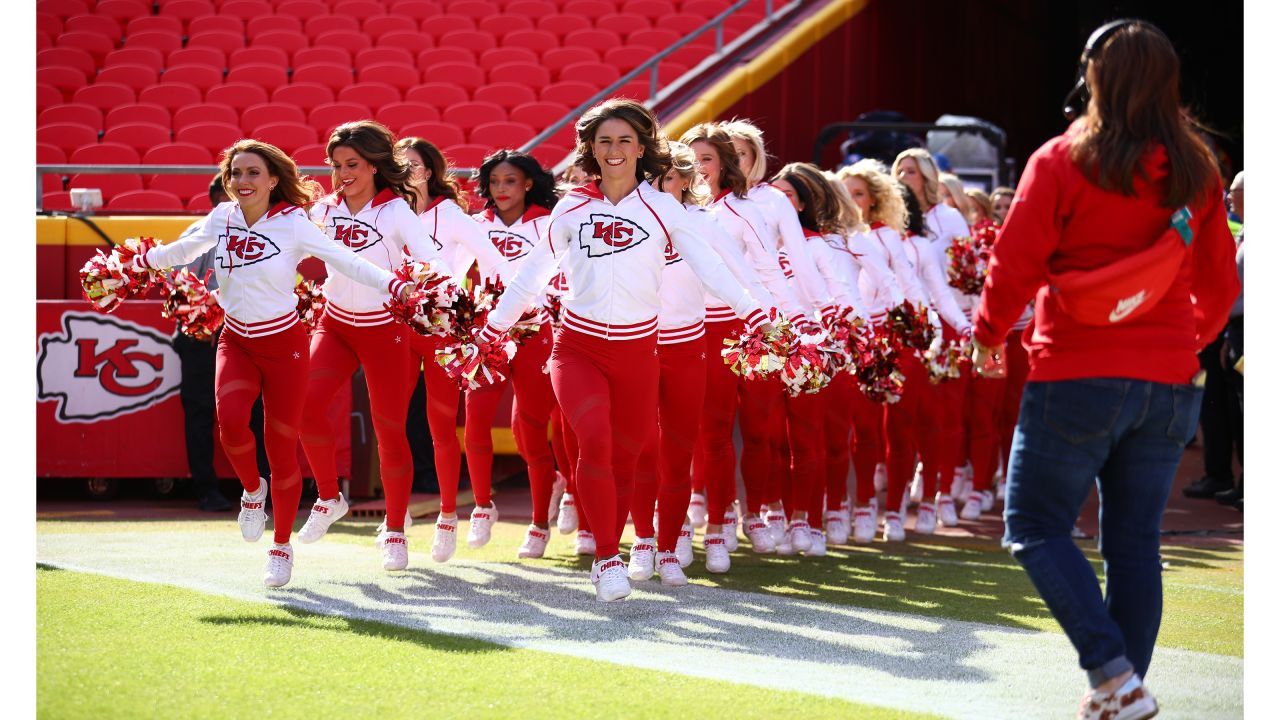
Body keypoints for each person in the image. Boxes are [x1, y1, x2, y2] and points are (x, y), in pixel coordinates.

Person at [970, 20, 1238, 717]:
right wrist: (1181, 342)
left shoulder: (1062, 159)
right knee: (1134, 544)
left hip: (1076, 372)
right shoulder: (1198, 166)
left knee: (1032, 523)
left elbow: (1014, 263)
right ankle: (1123, 689)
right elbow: (1219, 286)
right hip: (1169, 378)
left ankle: (1114, 676)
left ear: (1094, 75)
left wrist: (988, 334)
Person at [473, 98, 770, 602]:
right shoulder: (571, 207)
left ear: (642, 148)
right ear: (590, 148)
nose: (614, 150)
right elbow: (531, 275)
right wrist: (492, 328)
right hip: (578, 347)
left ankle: (645, 542)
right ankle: (608, 557)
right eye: (605, 141)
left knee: (629, 459)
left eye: (624, 141)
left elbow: (710, 267)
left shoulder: (663, 208)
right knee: (594, 443)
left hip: (638, 350)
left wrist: (755, 312)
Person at [136, 140, 412, 588]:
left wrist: (394, 285)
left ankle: (280, 547)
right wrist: (137, 263)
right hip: (237, 340)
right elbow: (180, 252)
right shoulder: (221, 217)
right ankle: (251, 493)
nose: (243, 181)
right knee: (229, 424)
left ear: (272, 180)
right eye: (236, 173)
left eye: (252, 173)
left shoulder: (295, 223)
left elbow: (345, 260)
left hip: (285, 346)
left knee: (281, 451)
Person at [293, 121, 437, 573]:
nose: (342, 174)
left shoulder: (395, 211)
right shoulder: (324, 209)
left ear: (375, 165)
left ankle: (394, 529)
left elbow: (432, 262)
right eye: (336, 166)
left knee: (388, 428)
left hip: (385, 330)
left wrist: (434, 295)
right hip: (334, 325)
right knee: (305, 407)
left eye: (352, 165)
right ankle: (329, 496)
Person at [681, 121, 801, 562]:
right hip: (699, 330)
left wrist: (795, 321)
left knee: (759, 428)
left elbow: (767, 271)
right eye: (691, 160)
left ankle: (755, 513)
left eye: (707, 159)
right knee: (710, 431)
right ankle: (720, 519)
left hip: (748, 326)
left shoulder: (744, 209)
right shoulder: (673, 209)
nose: (699, 168)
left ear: (724, 164)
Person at [395, 136, 504, 564]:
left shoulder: (451, 216)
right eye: (399, 164)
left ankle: (446, 517)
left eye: (415, 164)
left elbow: (494, 261)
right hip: (394, 329)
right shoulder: (385, 211)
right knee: (393, 423)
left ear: (431, 170)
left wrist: (485, 310)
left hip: (442, 330)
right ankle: (395, 520)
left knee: (441, 426)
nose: (408, 171)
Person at [465, 149, 562, 560]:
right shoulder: (473, 226)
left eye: (510, 181)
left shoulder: (551, 222)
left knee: (530, 430)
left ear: (527, 183)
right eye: (494, 182)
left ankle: (539, 523)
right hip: (488, 333)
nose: (501, 189)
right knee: (475, 419)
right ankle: (482, 506)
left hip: (535, 330)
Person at [173, 175, 270, 512]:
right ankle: (206, 489)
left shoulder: (265, 230)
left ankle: (261, 487)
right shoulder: (199, 234)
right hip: (202, 336)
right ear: (217, 197)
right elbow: (180, 288)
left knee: (257, 412)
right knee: (201, 412)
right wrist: (207, 316)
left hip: (250, 335)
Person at [1182, 169, 1244, 504]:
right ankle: (1220, 475)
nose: (1228, 198)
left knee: (1240, 408)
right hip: (1219, 328)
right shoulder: (1233, 226)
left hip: (1231, 328)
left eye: (1234, 191)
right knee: (1219, 406)